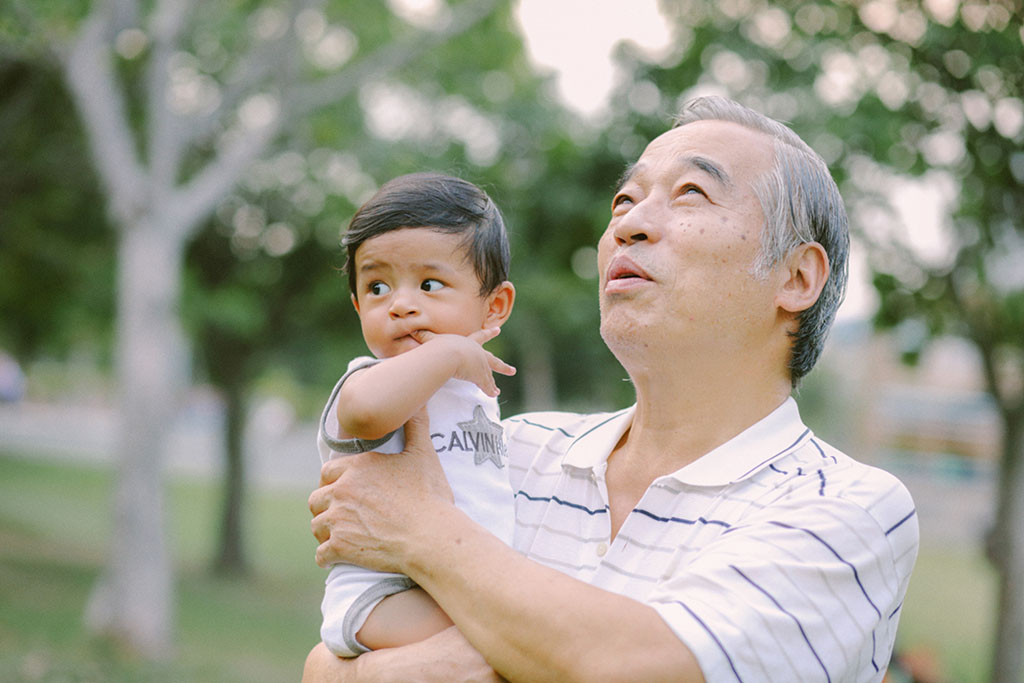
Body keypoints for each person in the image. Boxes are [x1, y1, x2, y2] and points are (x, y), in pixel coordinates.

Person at [306, 96, 919, 682]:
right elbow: (322, 665)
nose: (629, 224)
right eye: (624, 200)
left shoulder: (849, 509)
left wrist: (420, 528)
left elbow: (644, 670)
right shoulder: (503, 448)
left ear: (797, 276)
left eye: (691, 194)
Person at [315, 172, 517, 657]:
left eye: (429, 284)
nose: (402, 305)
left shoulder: (472, 398)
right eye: (378, 286)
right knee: (503, 646)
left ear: (494, 308)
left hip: (459, 582)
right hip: (387, 597)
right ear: (357, 304)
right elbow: (364, 413)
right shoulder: (370, 377)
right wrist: (449, 352)